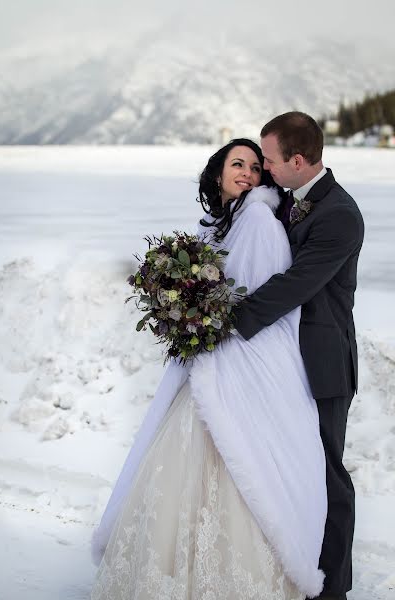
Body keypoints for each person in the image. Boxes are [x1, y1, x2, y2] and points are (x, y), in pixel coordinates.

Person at [91, 138, 327, 600]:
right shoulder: (217, 226)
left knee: (235, 460)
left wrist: (207, 317)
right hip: (209, 355)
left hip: (243, 358)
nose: (247, 172)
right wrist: (178, 310)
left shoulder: (258, 220)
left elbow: (262, 296)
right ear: (217, 172)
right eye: (237, 163)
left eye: (257, 167)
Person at [233, 114, 365, 600]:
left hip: (322, 364)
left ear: (297, 160)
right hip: (286, 362)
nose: (263, 167)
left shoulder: (339, 215)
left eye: (268, 159)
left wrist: (230, 319)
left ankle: (333, 591)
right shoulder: (288, 198)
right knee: (290, 471)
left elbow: (296, 284)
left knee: (328, 476)